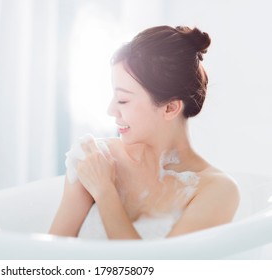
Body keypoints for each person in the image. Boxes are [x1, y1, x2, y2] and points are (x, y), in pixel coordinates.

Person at [49, 25, 240, 240]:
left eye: (123, 100)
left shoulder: (216, 190)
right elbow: (48, 258)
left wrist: (105, 192)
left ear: (170, 108)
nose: (111, 110)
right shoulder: (95, 158)